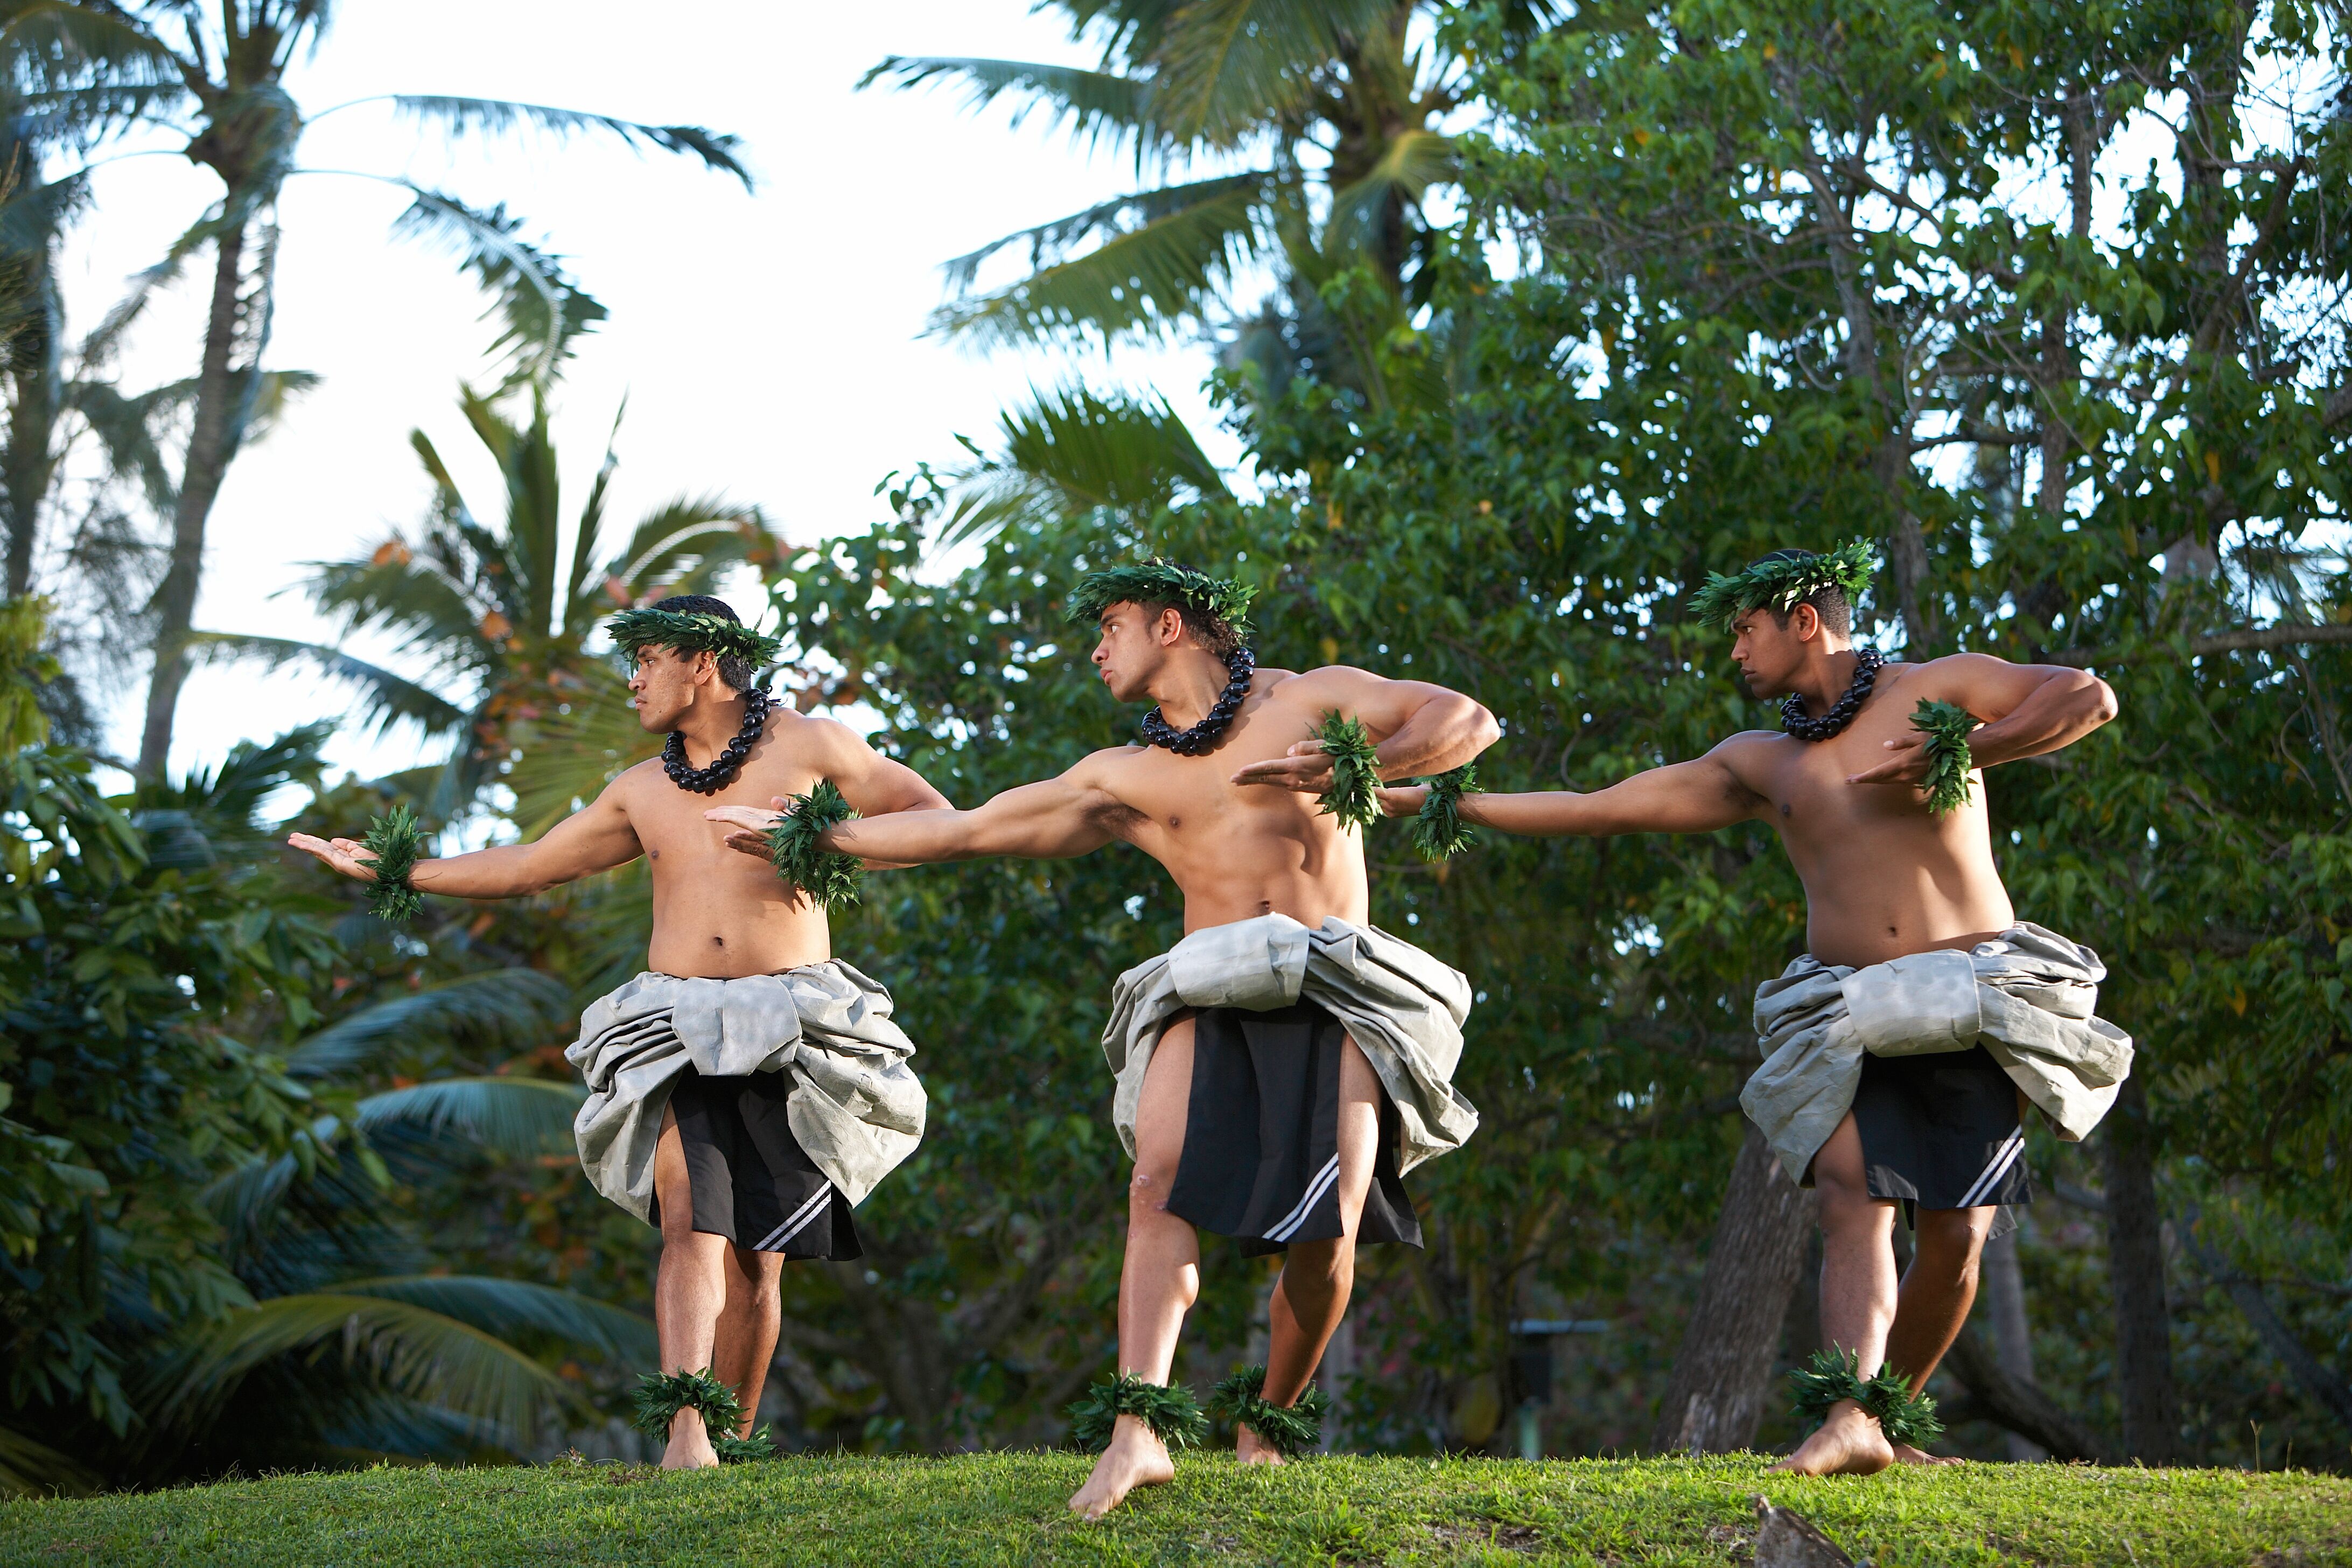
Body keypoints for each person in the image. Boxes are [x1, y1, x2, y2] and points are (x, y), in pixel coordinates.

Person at [709, 562, 1499, 1516]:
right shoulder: (1120, 776)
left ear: (1171, 626)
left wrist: (1364, 765)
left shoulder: (1313, 702)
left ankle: (1267, 1423)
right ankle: (1140, 1429)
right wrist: (814, 839)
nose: (1095, 649)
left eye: (1111, 627)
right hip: (1202, 990)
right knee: (1154, 1184)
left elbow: (1462, 718)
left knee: (1327, 1230)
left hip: (1331, 982)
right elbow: (970, 831)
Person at [1376, 543, 2133, 1476]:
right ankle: (1849, 1414)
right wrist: (1421, 802)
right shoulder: (1761, 761)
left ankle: (1883, 1417)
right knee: (1853, 1196)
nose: (1733, 650)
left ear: (1803, 621)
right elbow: (1598, 805)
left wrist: (1955, 750)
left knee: (1958, 1235)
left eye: (1744, 629)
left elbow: (2083, 697)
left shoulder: (1938, 689)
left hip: (1973, 997)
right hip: (1849, 1012)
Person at [289, 595, 952, 1469]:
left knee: (758, 1262)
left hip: (789, 1025)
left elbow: (934, 821)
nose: (633, 679)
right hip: (675, 1025)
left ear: (703, 662)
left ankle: (733, 1443)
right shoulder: (643, 787)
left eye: (646, 659)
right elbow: (530, 865)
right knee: (690, 1219)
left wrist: (814, 836)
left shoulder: (812, 747)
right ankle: (685, 1434)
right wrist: (403, 868)